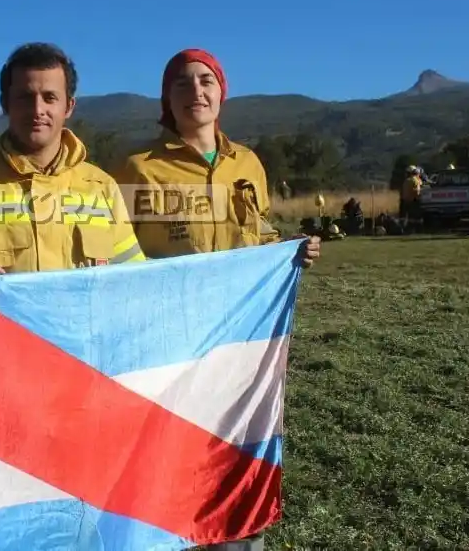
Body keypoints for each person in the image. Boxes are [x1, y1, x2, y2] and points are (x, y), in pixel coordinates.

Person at [116, 48, 320, 551]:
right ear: (167, 98)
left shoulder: (248, 163)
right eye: (182, 84)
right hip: (171, 343)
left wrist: (292, 250)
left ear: (221, 92)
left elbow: (260, 233)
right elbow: (119, 252)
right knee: (175, 455)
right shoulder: (139, 169)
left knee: (239, 449)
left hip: (243, 341)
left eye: (206, 81)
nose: (196, 92)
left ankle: (239, 538)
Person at [0, 42, 145, 272]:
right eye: (25, 97)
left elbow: (131, 276)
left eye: (50, 98)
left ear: (69, 106)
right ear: (5, 104)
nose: (37, 109)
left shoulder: (102, 187)